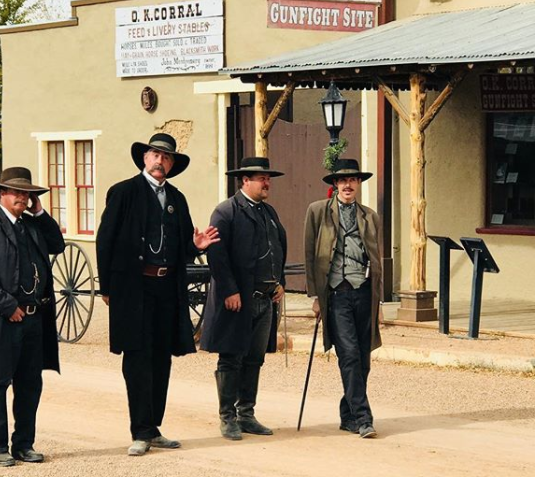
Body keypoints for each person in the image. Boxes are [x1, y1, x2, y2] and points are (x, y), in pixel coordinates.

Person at [96, 133, 219, 457]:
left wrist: (197, 246)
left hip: (167, 289)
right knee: (137, 358)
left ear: (172, 164)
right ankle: (139, 431)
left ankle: (154, 427)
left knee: (161, 358)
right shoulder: (124, 192)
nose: (160, 161)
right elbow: (105, 239)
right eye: (155, 155)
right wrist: (108, 287)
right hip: (134, 288)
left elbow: (182, 248)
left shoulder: (177, 198)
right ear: (144, 158)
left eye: (166, 157)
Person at [0, 167, 65, 467]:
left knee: (30, 383)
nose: (22, 197)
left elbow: (57, 245)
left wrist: (41, 213)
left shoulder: (33, 226)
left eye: (26, 193)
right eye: (16, 192)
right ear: (1, 195)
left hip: (34, 318)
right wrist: (9, 306)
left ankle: (24, 444)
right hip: (1, 318)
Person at [200, 157, 287, 441]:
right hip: (238, 299)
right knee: (231, 358)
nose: (266, 183)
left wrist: (280, 283)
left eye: (268, 178)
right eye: (260, 178)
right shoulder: (225, 212)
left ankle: (246, 414)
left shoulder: (270, 212)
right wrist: (229, 290)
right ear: (244, 181)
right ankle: (228, 418)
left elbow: (277, 250)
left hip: (265, 299)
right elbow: (216, 254)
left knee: (254, 359)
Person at [304, 158, 383, 439]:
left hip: (363, 293)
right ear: (335, 184)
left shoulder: (370, 216)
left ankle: (348, 413)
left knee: (363, 359)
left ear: (359, 184)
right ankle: (364, 418)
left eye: (353, 180)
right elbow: (310, 256)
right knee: (348, 355)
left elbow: (377, 260)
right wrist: (315, 296)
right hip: (336, 294)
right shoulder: (317, 212)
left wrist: (379, 303)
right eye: (343, 180)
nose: (348, 184)